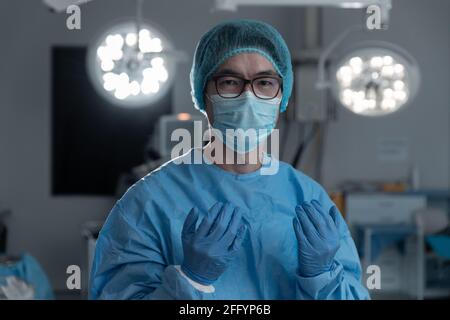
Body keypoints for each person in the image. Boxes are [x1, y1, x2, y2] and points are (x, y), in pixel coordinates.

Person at [89, 19, 370, 300]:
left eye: (264, 82)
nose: (248, 97)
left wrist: (322, 278)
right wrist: (190, 281)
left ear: (281, 96)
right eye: (229, 82)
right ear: (204, 94)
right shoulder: (149, 202)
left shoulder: (309, 198)